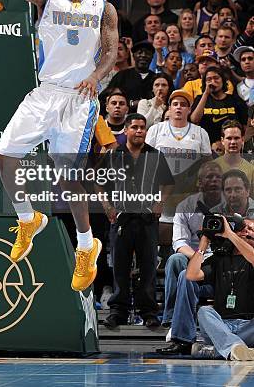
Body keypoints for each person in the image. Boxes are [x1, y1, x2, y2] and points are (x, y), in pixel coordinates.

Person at [0, 0, 118, 292]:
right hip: (45, 91)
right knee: (5, 153)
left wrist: (96, 77)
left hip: (78, 99)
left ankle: (86, 246)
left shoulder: (103, 6)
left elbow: (112, 51)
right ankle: (28, 219)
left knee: (67, 178)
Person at [100, 114, 175, 328]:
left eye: (142, 127)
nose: (139, 131)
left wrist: (160, 204)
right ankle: (118, 311)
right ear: (126, 131)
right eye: (135, 127)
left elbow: (168, 183)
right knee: (120, 267)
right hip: (121, 218)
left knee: (149, 266)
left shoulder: (155, 155)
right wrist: (106, 206)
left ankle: (149, 312)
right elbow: (97, 183)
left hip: (147, 219)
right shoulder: (114, 155)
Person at [160, 161, 223, 329]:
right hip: (193, 255)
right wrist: (199, 258)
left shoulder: (229, 205)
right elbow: (180, 243)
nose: (214, 181)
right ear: (199, 182)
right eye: (210, 177)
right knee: (175, 259)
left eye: (218, 177)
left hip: (221, 257)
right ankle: (171, 317)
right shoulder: (185, 206)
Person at [187, 214, 254, 360]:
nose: (245, 231)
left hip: (249, 326)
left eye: (250, 229)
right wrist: (204, 241)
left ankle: (216, 351)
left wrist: (230, 234)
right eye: (242, 228)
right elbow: (191, 275)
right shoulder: (219, 258)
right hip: (220, 326)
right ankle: (236, 348)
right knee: (204, 311)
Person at [146, 90, 212, 224]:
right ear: (169, 108)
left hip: (188, 195)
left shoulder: (200, 132)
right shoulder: (156, 129)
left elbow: (207, 165)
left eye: (183, 104)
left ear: (189, 109)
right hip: (159, 196)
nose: (178, 107)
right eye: (175, 104)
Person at [191, 67, 247, 145]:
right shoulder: (200, 99)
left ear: (223, 80)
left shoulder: (235, 99)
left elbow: (244, 125)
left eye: (216, 78)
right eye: (209, 79)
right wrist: (206, 93)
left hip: (231, 145)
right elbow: (194, 120)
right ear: (205, 82)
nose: (213, 82)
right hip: (207, 145)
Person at [107, 41, 156, 107]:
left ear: (152, 57)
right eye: (140, 52)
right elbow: (106, 97)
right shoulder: (122, 76)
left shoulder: (156, 78)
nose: (143, 55)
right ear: (133, 56)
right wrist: (130, 103)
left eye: (147, 53)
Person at [215, 120, 254, 191]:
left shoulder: (251, 170)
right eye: (229, 138)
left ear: (242, 140)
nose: (233, 142)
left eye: (236, 138)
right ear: (222, 140)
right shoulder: (212, 168)